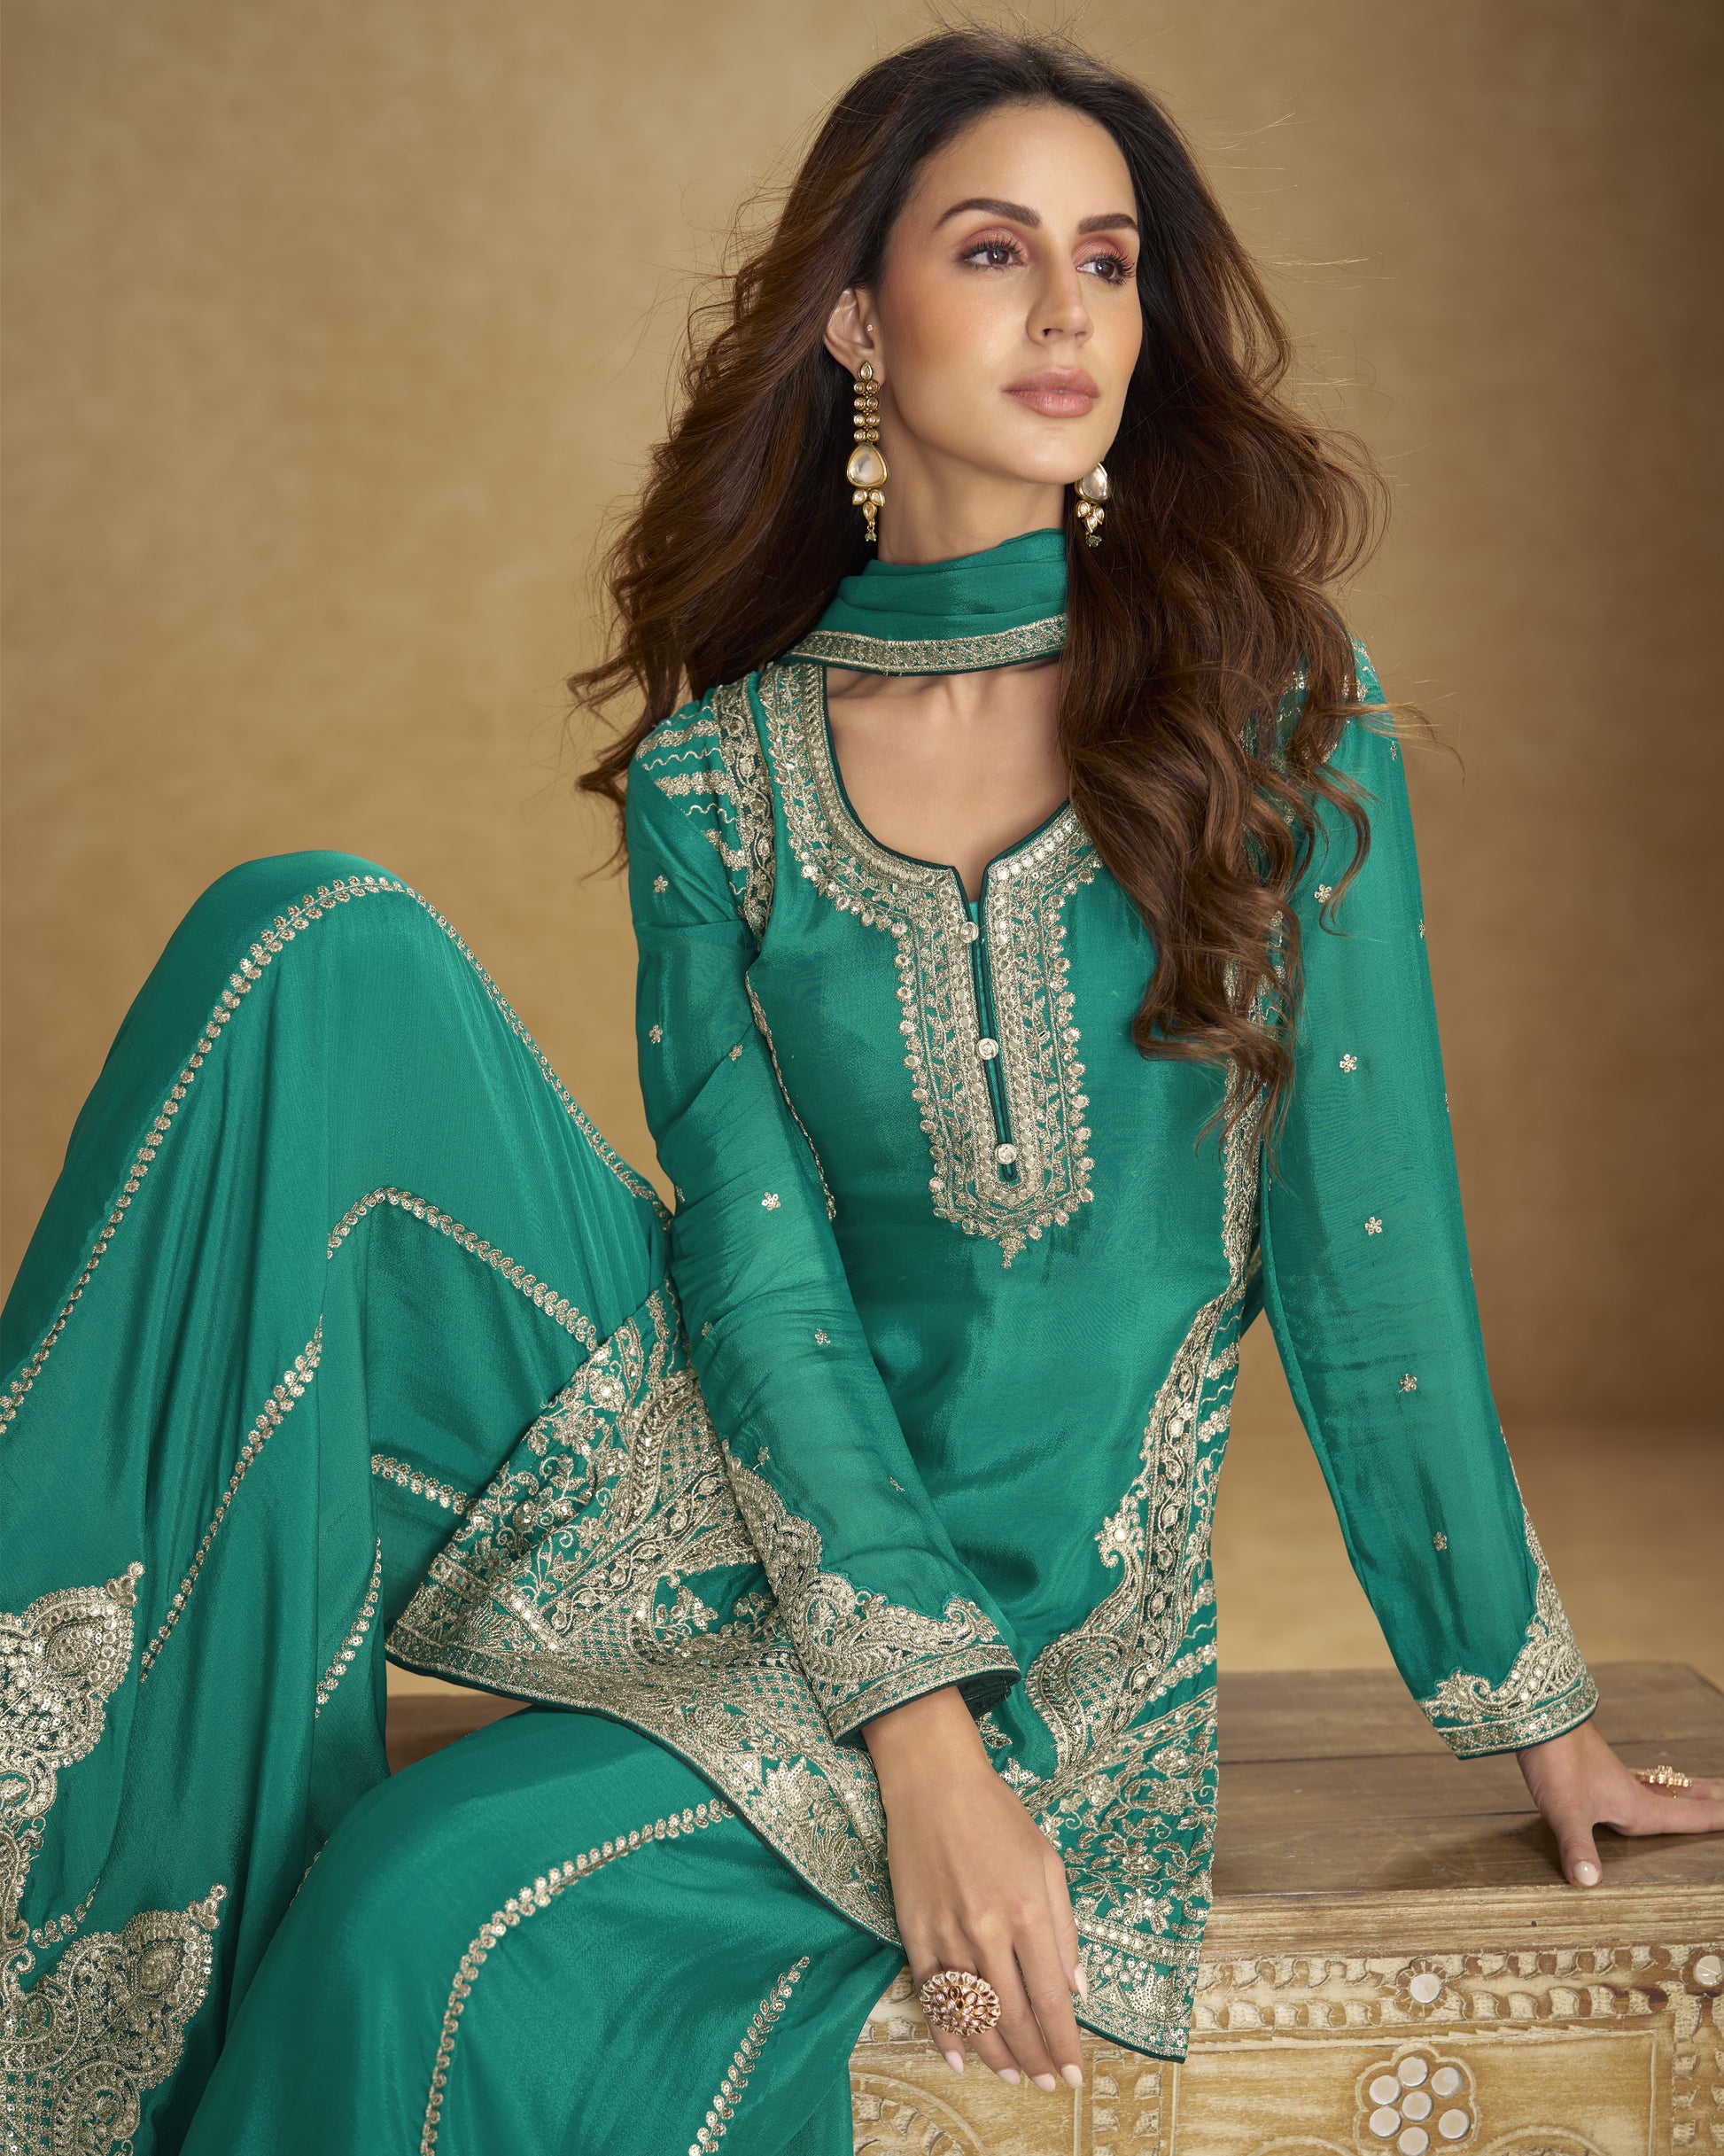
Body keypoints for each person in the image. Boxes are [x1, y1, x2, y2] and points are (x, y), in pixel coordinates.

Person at [4, 26, 1718, 2156]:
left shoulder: (1266, 712)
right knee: (308, 943)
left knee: (417, 1916)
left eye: (1107, 258)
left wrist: (1529, 1711)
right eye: (996, 249)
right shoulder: (726, 777)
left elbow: (1371, 1269)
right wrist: (905, 1741)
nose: (1070, 307)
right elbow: (758, 1269)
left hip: (1054, 1650)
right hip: (747, 1534)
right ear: (854, 319)